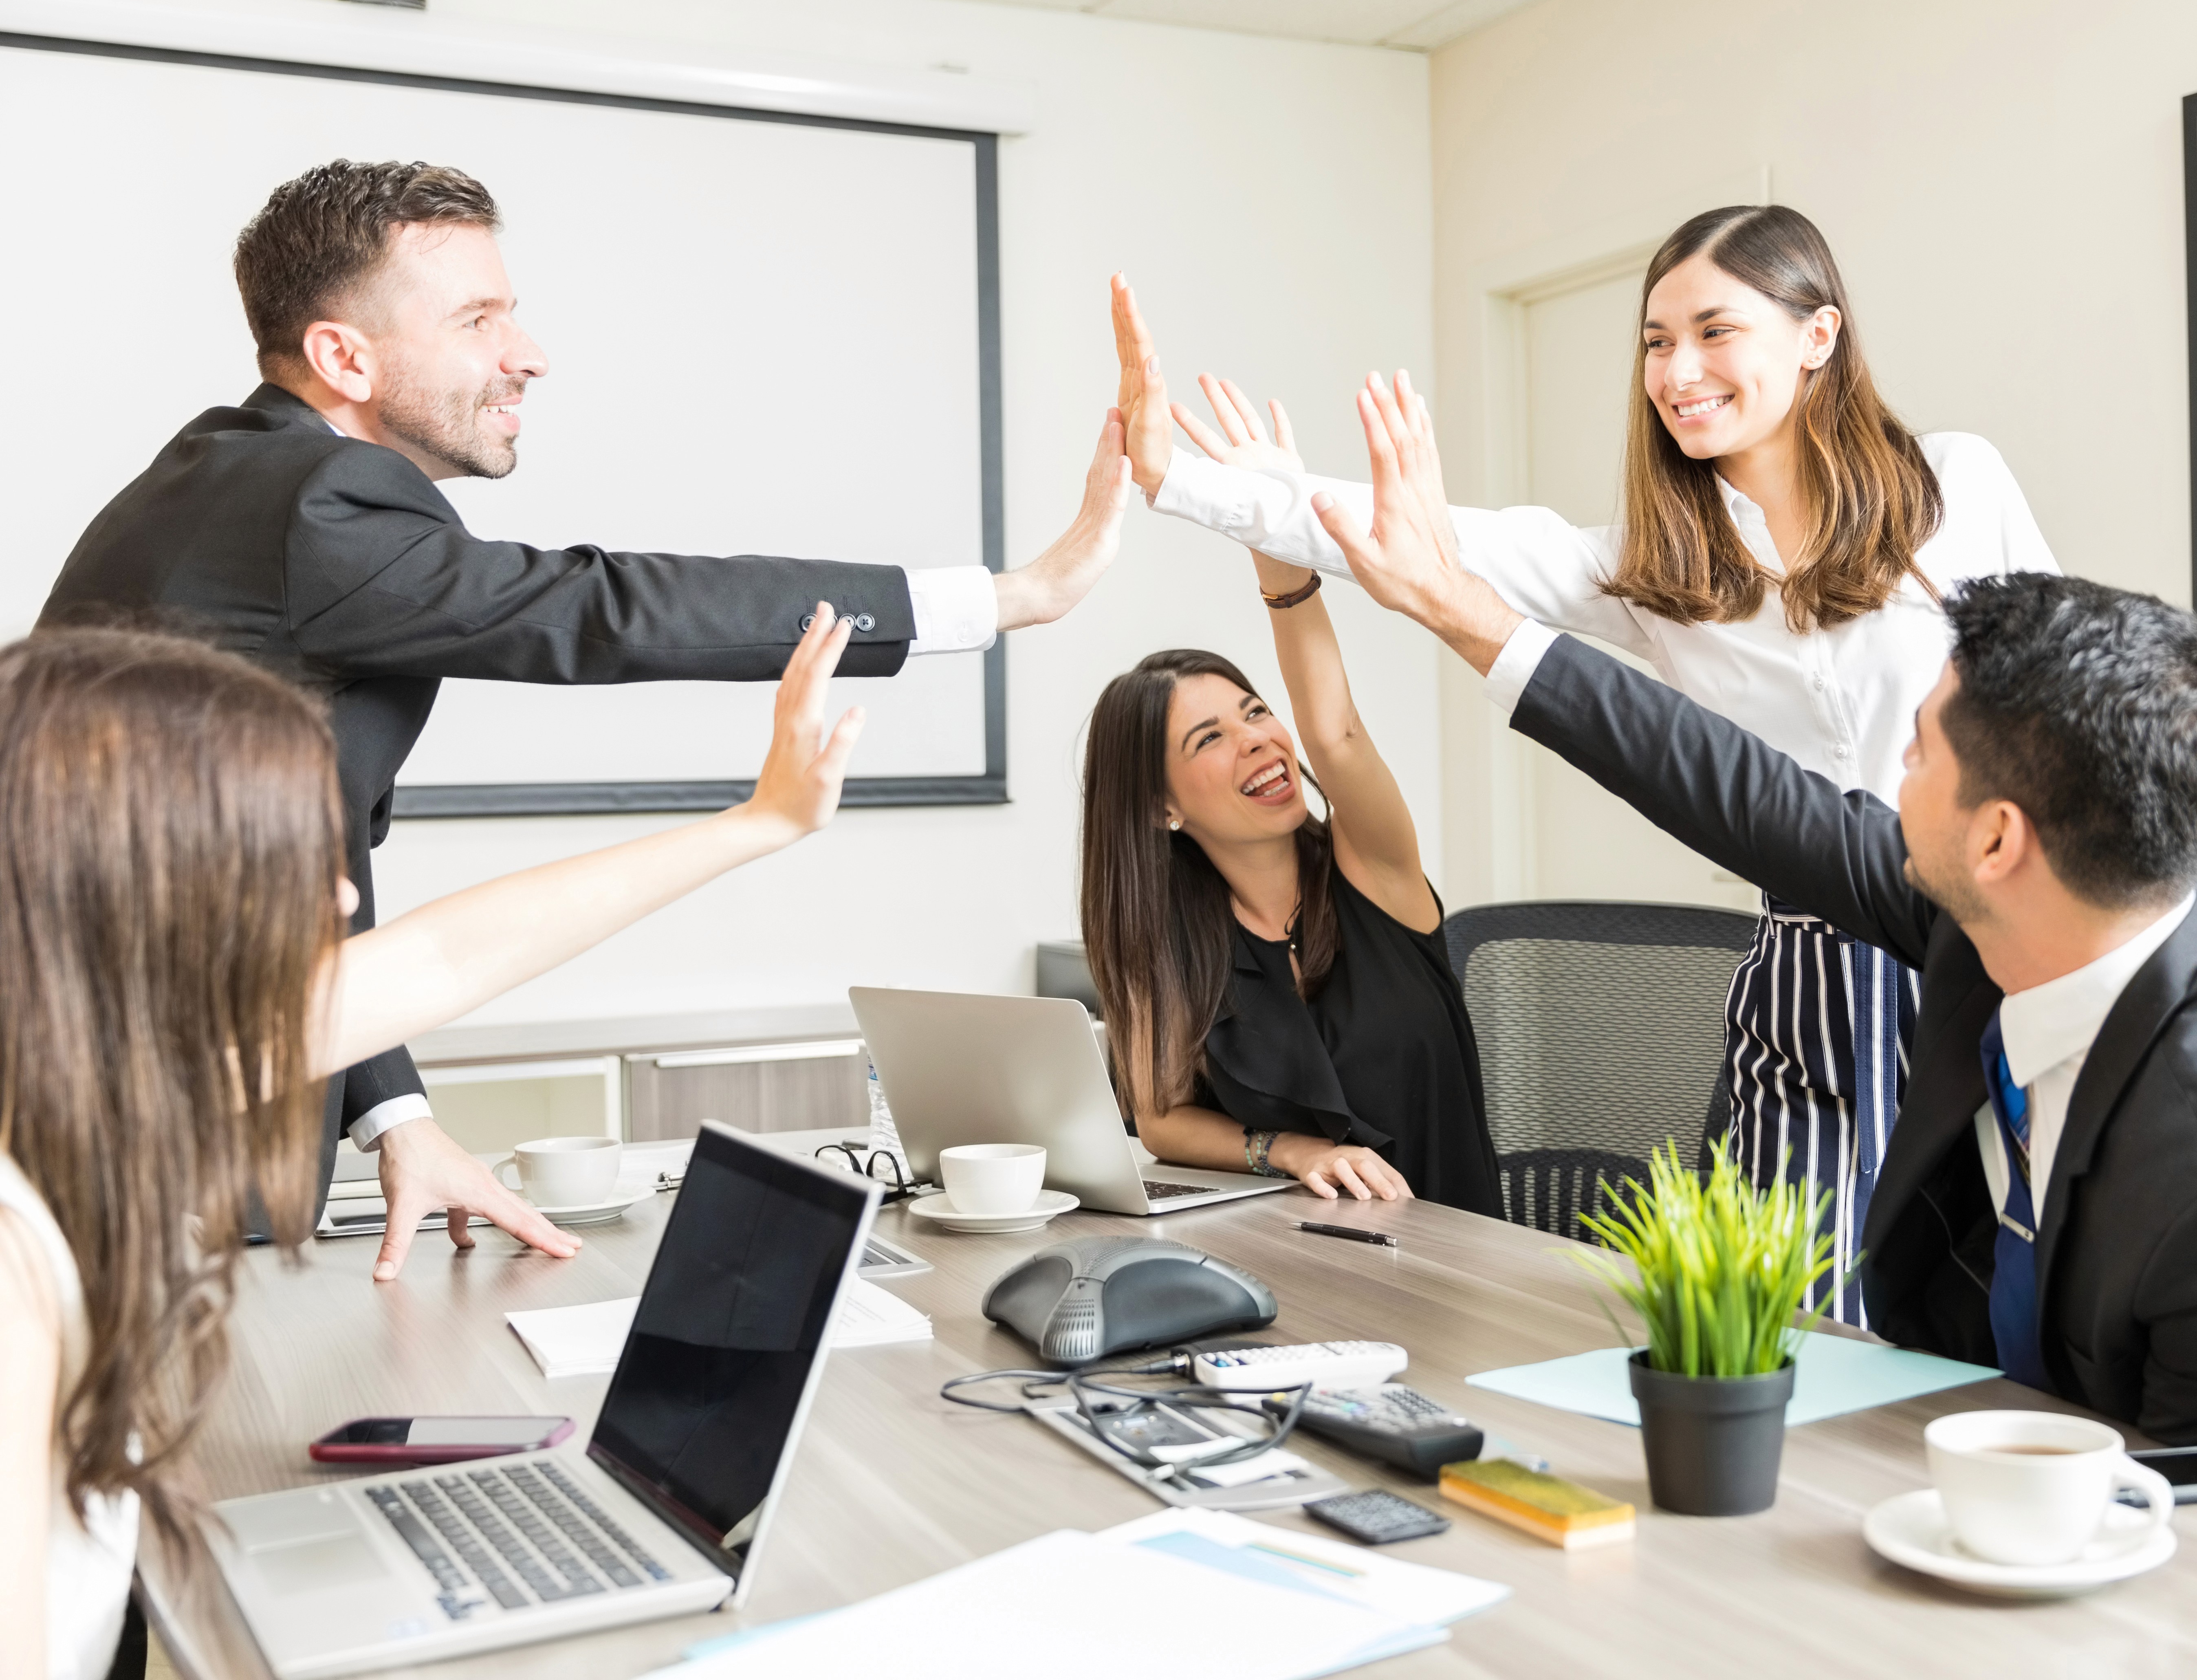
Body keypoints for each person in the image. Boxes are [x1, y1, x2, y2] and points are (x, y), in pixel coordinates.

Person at [1298, 385, 2197, 1513]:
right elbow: (1739, 791)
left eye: (1916, 753)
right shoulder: (2038, 917)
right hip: (2034, 1495)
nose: (1886, 781)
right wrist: (1456, 606)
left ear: (1997, 838)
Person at [42, 160, 1131, 1281]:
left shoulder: (215, 485)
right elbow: (602, 606)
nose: (528, 353)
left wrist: (396, 1117)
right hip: (144, 1171)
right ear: (342, 357)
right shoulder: (316, 505)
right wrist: (1012, 597)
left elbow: (312, 861)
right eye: (477, 318)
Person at [1110, 204, 2056, 1321]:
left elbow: (2064, 712)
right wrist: (1189, 483)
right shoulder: (1660, 567)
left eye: (1714, 331)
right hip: (1812, 988)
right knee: (1789, 1330)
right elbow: (1432, 545)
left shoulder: (1956, 487)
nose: (1677, 369)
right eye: (1656, 342)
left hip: (1990, 955)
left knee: (2013, 1307)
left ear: (1818, 335)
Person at [0, 610, 870, 1680]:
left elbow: (450, 955)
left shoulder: (102, 1060)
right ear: (147, 901)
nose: (344, 898)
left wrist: (761, 821)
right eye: (284, 857)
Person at [1076, 514, 1499, 1215]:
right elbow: (1160, 1120)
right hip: (1304, 1266)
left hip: (1457, 1267)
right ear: (1161, 808)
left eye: (1256, 712)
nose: (1258, 741)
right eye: (1211, 737)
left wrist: (1279, 560)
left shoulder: (1371, 866)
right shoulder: (1176, 938)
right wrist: (1292, 1150)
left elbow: (1336, 738)